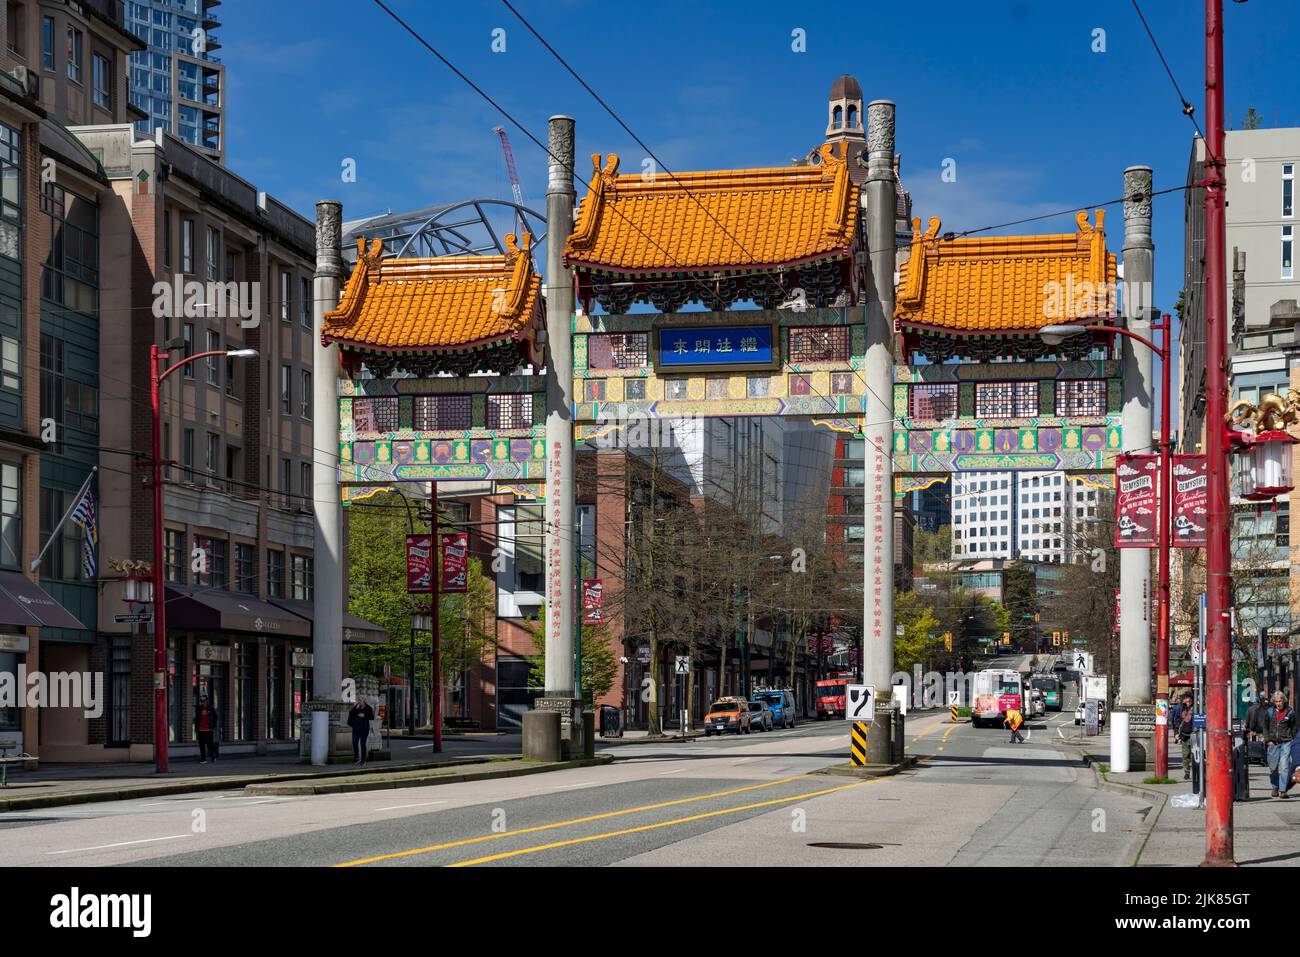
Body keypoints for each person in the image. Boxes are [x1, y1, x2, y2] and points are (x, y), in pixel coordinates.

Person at [1264, 690, 1296, 798]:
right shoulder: (1269, 712)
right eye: (1277, 701)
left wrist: (1292, 738)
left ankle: (1283, 790)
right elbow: (1265, 727)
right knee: (1273, 767)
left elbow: (1294, 727)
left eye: (1281, 701)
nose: (1279, 703)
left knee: (1284, 767)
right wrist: (1268, 740)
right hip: (1273, 743)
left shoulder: (1290, 712)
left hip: (1286, 742)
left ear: (1284, 701)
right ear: (1274, 702)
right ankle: (1275, 787)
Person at [348, 695, 375, 767]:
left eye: (360, 700)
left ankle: (363, 759)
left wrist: (364, 716)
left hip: (364, 729)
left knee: (363, 744)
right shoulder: (356, 707)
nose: (359, 701)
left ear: (364, 701)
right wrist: (355, 709)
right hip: (356, 728)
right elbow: (351, 714)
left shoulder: (368, 708)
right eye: (358, 700)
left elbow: (372, 717)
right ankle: (356, 758)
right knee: (354, 742)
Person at [193, 693, 219, 764]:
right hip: (200, 729)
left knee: (209, 744)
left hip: (208, 730)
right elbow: (196, 718)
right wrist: (196, 728)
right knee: (201, 745)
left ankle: (212, 756)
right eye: (201, 700)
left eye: (203, 700)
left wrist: (212, 726)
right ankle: (203, 759)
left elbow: (216, 717)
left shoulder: (211, 708)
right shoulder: (199, 708)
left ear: (206, 700)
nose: (202, 701)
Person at [1174, 692, 1195, 781]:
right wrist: (1176, 733)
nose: (1185, 700)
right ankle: (1187, 772)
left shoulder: (1196, 708)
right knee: (1185, 755)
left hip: (1194, 734)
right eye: (1184, 698)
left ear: (1191, 699)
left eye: (1187, 698)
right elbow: (1177, 720)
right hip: (1184, 735)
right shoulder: (1181, 708)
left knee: (1195, 755)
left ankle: (1197, 772)